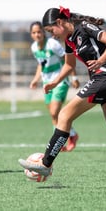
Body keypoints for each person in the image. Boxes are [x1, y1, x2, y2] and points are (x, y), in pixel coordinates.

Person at [19, 6, 106, 189]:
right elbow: (68, 66)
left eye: (52, 31)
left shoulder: (83, 27)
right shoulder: (68, 40)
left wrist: (100, 61)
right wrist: (55, 82)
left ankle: (45, 164)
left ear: (59, 22)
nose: (52, 36)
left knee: (64, 115)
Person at [29, 21, 80, 151]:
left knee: (54, 111)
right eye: (34, 33)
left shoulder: (53, 44)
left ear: (43, 32)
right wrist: (35, 79)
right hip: (47, 83)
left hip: (59, 81)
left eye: (39, 31)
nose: (37, 34)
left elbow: (68, 60)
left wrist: (74, 77)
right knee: (53, 115)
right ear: (31, 35)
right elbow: (41, 65)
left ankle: (59, 141)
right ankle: (71, 135)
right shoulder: (34, 47)